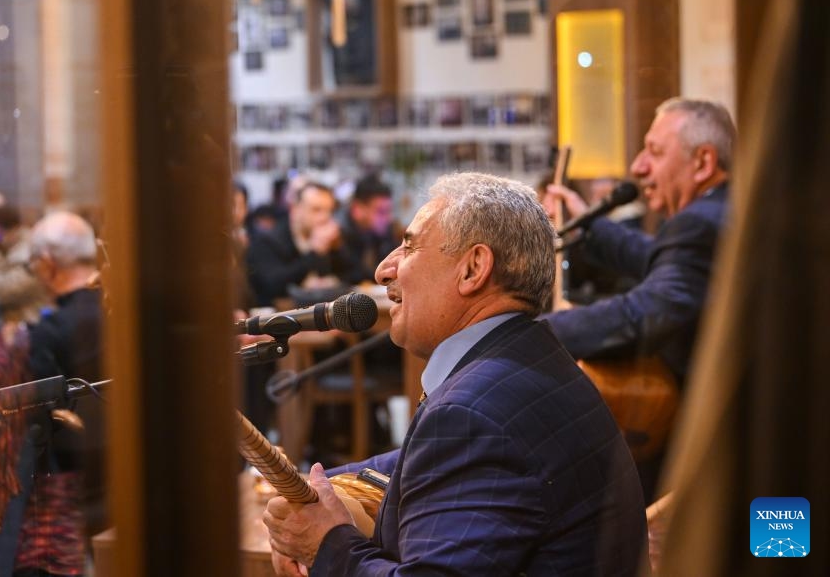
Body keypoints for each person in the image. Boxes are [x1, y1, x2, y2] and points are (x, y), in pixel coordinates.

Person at [263, 172, 646, 576]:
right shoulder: (530, 355)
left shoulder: (472, 415)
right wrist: (316, 488)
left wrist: (324, 544)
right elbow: (418, 459)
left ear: (473, 268)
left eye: (409, 246)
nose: (384, 270)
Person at [542, 97, 736, 386]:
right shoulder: (721, 211)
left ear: (703, 163)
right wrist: (585, 224)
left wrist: (532, 332)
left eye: (655, 152)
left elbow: (644, 316)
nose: (638, 167)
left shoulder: (699, 222)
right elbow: (658, 257)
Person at [23, 210, 107, 537]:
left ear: (47, 264)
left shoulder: (48, 332)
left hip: (83, 483)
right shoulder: (122, 307)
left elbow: (44, 419)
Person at [246, 181, 353, 306]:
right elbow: (274, 286)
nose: (325, 217)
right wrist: (314, 253)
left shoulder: (332, 238)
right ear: (295, 209)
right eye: (316, 210)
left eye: (329, 211)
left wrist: (337, 249)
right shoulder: (268, 240)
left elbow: (357, 276)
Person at [338, 175, 401, 284]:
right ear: (357, 209)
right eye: (381, 211)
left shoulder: (383, 233)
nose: (388, 218)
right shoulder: (338, 236)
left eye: (389, 211)